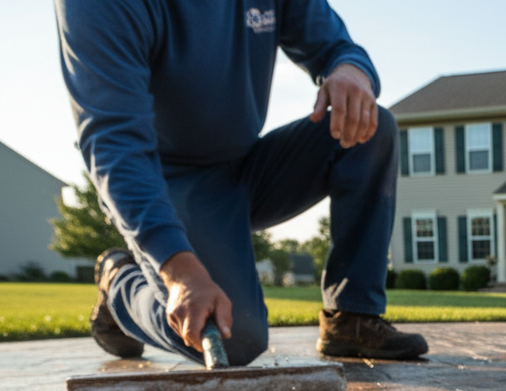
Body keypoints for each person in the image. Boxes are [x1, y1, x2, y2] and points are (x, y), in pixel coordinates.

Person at [55, 0, 427, 365]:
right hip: (170, 184)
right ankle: (121, 282)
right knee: (234, 340)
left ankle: (352, 319)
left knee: (370, 130)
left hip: (248, 166)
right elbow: (114, 145)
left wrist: (351, 69)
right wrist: (180, 273)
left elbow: (335, 46)